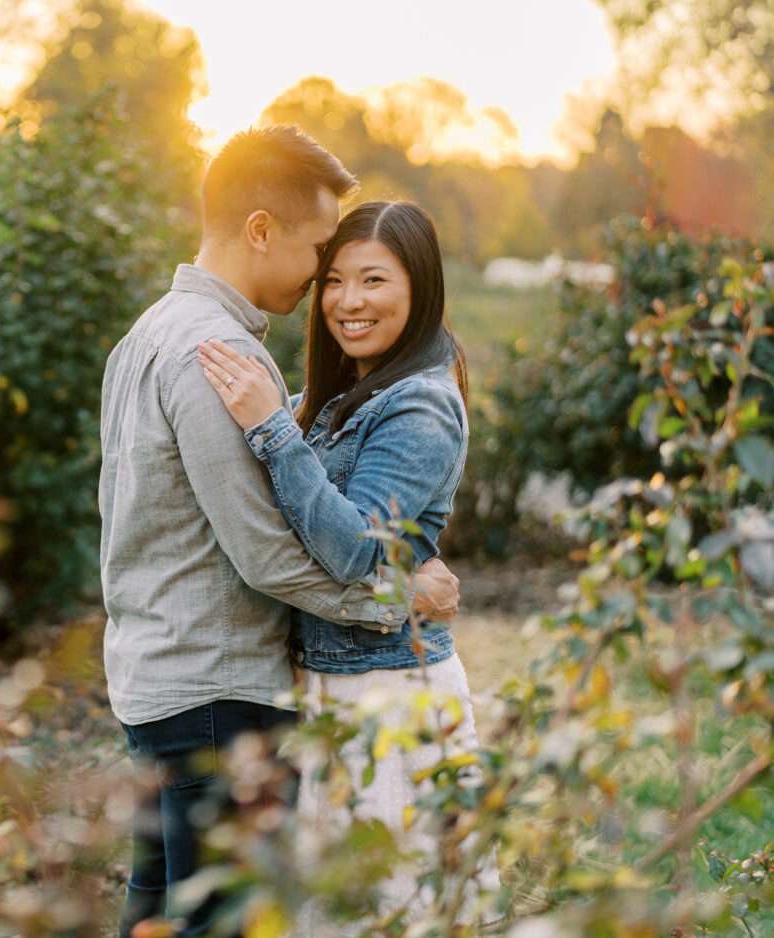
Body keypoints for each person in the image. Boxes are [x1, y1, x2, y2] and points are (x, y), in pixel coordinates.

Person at [99, 129, 462, 938]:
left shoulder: (146, 334)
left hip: (155, 676)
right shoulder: (216, 353)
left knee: (158, 908)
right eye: (318, 253)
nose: (322, 281)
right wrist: (395, 601)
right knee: (218, 921)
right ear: (261, 230)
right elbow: (268, 555)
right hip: (217, 691)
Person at [198, 200, 493, 927]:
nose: (348, 303)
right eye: (334, 281)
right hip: (330, 687)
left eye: (373, 281)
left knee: (388, 908)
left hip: (389, 690)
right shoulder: (336, 400)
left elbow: (354, 546)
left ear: (419, 287)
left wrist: (270, 425)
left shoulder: (420, 404)